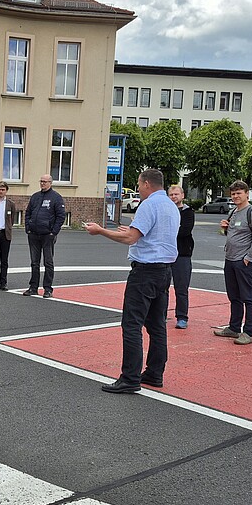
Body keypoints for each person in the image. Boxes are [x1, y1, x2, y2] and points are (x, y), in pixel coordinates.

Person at [84, 169, 179, 394]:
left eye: (138, 183)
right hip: (164, 271)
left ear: (147, 184)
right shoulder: (171, 206)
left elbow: (130, 238)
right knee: (157, 326)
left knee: (132, 324)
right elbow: (151, 234)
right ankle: (155, 373)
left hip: (145, 272)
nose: (137, 188)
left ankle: (130, 377)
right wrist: (133, 231)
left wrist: (100, 231)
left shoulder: (148, 205)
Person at [213, 180, 252, 345]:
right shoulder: (234, 211)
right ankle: (234, 328)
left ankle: (248, 331)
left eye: (239, 193)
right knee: (234, 296)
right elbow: (234, 233)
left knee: (248, 297)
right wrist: (225, 228)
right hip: (230, 259)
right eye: (233, 193)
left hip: (244, 261)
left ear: (247, 194)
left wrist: (249, 258)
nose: (235, 196)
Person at [24, 174, 66, 298]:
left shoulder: (56, 198)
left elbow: (61, 216)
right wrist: (28, 228)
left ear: (50, 183)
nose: (42, 183)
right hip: (34, 234)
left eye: (45, 181)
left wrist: (54, 232)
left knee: (48, 262)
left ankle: (48, 289)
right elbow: (28, 213)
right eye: (41, 181)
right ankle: (33, 287)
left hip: (48, 235)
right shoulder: (35, 196)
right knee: (34, 262)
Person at [169, 185, 194, 329]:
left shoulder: (188, 212)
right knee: (161, 287)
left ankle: (182, 317)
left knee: (181, 288)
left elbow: (185, 230)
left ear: (182, 195)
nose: (173, 197)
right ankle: (160, 315)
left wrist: (169, 230)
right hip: (165, 254)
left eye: (176, 194)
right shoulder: (166, 211)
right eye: (171, 194)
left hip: (182, 254)